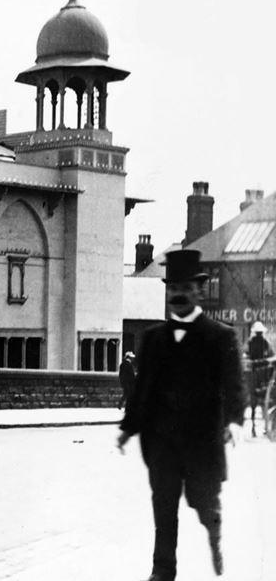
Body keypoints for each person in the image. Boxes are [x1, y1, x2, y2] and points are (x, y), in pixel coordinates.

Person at [117, 249, 246, 581]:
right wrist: (128, 428)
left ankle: (213, 529)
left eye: (186, 287)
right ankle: (163, 570)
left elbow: (233, 384)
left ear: (199, 290)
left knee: (202, 502)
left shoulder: (220, 337)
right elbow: (141, 389)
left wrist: (233, 421)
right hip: (162, 443)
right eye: (172, 287)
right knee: (164, 505)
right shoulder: (153, 338)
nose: (178, 294)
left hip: (201, 441)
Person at [246, 321, 274, 437]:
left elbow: (247, 354)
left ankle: (253, 426)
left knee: (253, 400)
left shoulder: (250, 342)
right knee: (266, 399)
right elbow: (271, 355)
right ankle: (264, 426)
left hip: (253, 372)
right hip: (263, 372)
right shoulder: (265, 342)